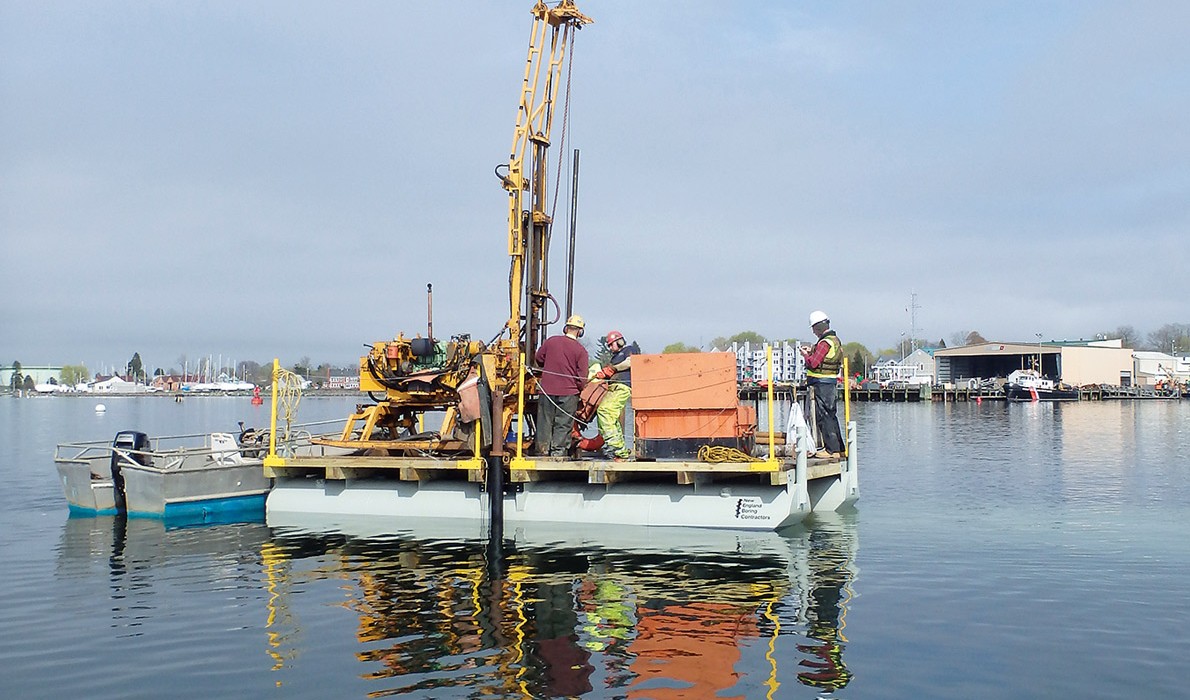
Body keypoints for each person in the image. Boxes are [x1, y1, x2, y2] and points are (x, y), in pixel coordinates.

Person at [534, 314, 590, 456]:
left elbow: (539, 358)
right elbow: (582, 377)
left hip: (546, 391)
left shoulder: (551, 342)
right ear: (580, 331)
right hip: (568, 393)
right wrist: (579, 388)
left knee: (544, 422)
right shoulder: (581, 351)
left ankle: (542, 451)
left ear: (566, 328)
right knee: (563, 424)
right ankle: (558, 453)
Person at [799, 310, 845, 457]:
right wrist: (812, 350)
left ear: (818, 327)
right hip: (829, 382)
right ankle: (839, 449)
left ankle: (831, 450)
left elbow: (813, 363)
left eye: (813, 328)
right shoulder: (834, 340)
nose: (813, 332)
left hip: (822, 383)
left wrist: (806, 355)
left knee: (824, 416)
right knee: (831, 415)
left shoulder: (825, 342)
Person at [593, 330, 639, 460]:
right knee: (610, 416)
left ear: (620, 341)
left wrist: (612, 369)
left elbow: (631, 362)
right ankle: (618, 447)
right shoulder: (615, 358)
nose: (610, 347)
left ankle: (616, 448)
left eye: (612, 344)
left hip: (623, 387)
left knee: (605, 411)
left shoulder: (629, 350)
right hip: (613, 387)